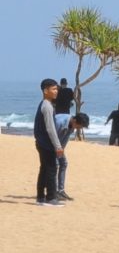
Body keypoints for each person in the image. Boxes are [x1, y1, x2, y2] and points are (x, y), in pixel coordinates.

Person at [34, 79, 65, 207]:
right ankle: (51, 198)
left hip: (42, 142)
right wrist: (58, 146)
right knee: (52, 169)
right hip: (46, 143)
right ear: (45, 91)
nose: (56, 91)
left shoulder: (45, 104)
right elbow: (50, 128)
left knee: (44, 169)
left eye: (56, 89)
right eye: (53, 89)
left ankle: (40, 197)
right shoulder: (47, 105)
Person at [54, 111, 90, 201]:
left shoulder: (72, 125)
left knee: (64, 163)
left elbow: (64, 138)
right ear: (74, 121)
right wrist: (56, 150)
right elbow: (52, 137)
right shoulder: (59, 123)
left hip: (59, 148)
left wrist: (61, 150)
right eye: (79, 126)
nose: (79, 128)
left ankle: (61, 191)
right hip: (50, 146)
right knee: (55, 166)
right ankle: (54, 191)